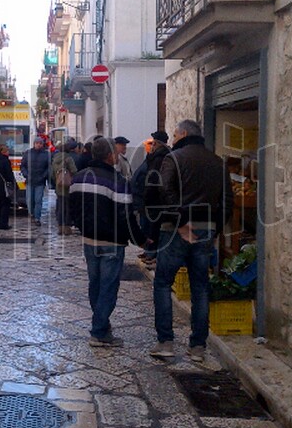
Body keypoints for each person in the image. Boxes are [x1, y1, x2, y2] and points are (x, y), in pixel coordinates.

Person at [150, 120, 233, 363]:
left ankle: (165, 342)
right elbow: (228, 199)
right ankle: (198, 347)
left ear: (184, 134)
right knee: (200, 287)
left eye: (174, 134)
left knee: (163, 283)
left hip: (176, 229)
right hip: (205, 229)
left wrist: (181, 221)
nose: (173, 138)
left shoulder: (173, 159)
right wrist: (215, 228)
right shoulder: (218, 162)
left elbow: (165, 191)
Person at [70, 137, 145, 348]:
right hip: (112, 242)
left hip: (89, 240)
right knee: (108, 286)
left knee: (95, 284)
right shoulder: (118, 181)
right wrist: (140, 240)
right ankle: (100, 331)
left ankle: (102, 324)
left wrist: (82, 227)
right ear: (111, 155)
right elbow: (127, 217)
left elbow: (72, 209)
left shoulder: (79, 178)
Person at [131, 130, 171, 265]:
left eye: (153, 143)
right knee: (148, 228)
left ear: (159, 144)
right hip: (148, 199)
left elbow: (154, 180)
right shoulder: (153, 157)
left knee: (154, 229)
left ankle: (153, 253)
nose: (151, 146)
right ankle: (149, 251)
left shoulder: (160, 158)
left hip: (154, 201)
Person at [50, 138, 78, 235]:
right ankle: (66, 228)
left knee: (60, 207)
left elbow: (52, 174)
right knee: (67, 207)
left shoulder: (55, 159)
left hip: (59, 186)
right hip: (67, 186)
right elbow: (74, 170)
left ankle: (60, 227)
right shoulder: (68, 158)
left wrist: (57, 180)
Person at [20, 137, 50, 226]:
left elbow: (49, 167)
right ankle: (32, 214)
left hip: (40, 181)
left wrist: (44, 176)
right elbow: (22, 166)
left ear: (42, 144)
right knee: (29, 200)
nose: (38, 144)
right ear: (34, 144)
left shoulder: (46, 154)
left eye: (40, 143)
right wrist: (26, 175)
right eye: (37, 143)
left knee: (38, 200)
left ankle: (37, 217)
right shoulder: (28, 153)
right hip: (29, 180)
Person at [0, 143, 16, 230]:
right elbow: (9, 174)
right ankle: (3, 224)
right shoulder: (5, 161)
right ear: (2, 152)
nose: (8, 152)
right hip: (3, 187)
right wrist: (14, 183)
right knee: (5, 205)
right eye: (7, 151)